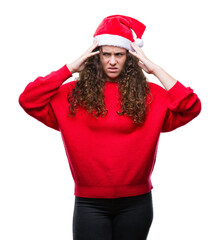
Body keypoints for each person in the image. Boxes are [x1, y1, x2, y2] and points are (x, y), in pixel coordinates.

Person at [19, 15, 201, 240]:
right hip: (89, 204)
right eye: (106, 54)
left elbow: (191, 107)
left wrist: (155, 69)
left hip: (137, 203)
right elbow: (29, 100)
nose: (112, 61)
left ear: (130, 58)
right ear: (97, 57)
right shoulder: (72, 95)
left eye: (119, 54)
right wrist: (69, 68)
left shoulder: (151, 96)